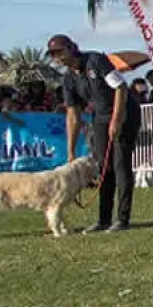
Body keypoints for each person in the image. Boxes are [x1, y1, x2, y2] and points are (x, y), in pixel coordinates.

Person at [48, 34, 138, 233]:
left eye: (60, 51)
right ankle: (103, 220)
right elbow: (73, 115)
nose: (57, 57)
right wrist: (70, 151)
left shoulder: (96, 61)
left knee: (120, 165)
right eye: (53, 54)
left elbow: (121, 88)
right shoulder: (69, 79)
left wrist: (117, 119)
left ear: (71, 48)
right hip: (100, 116)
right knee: (104, 168)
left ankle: (122, 219)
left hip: (124, 111)